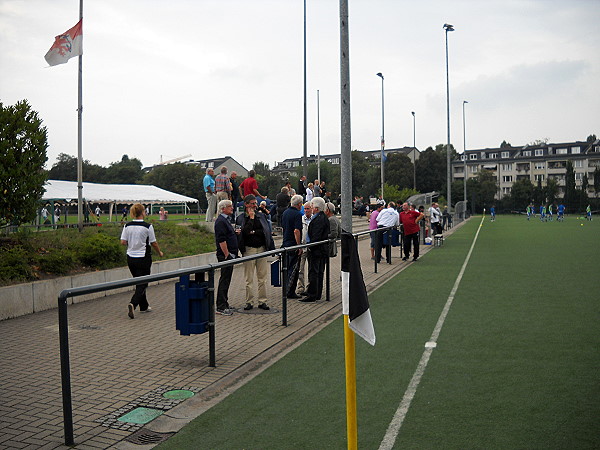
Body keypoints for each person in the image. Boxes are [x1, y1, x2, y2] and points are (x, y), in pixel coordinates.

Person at [120, 203, 164, 319]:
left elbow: (123, 242)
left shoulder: (127, 226)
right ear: (143, 212)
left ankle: (144, 306)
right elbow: (153, 242)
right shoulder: (147, 226)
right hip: (143, 257)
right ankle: (133, 303)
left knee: (138, 281)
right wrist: (159, 252)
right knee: (143, 283)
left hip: (130, 257)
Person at [236, 195, 275, 311]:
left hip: (261, 249)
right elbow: (245, 232)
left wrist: (253, 231)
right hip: (249, 250)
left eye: (255, 203)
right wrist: (251, 219)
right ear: (246, 204)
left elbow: (264, 231)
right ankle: (249, 301)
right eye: (252, 203)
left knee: (262, 277)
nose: (254, 205)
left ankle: (262, 301)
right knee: (249, 278)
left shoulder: (261, 216)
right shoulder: (241, 218)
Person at [300, 197, 330, 302]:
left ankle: (313, 294)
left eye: (312, 206)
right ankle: (315, 292)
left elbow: (316, 236)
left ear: (316, 208)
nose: (311, 208)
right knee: (318, 272)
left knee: (314, 272)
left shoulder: (319, 219)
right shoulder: (322, 217)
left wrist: (310, 246)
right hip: (319, 249)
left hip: (317, 250)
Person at [214, 199, 240, 315]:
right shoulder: (220, 221)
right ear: (223, 208)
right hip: (225, 255)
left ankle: (225, 303)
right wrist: (227, 255)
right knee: (224, 279)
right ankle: (220, 306)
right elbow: (221, 240)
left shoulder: (225, 220)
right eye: (230, 206)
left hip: (231, 254)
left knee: (227, 279)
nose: (232, 208)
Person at [281, 194, 304, 299]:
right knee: (294, 268)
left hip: (285, 243)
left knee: (286, 268)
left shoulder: (285, 213)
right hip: (293, 244)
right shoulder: (297, 214)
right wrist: (299, 246)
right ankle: (290, 291)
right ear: (299, 204)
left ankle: (285, 289)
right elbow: (296, 231)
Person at [296, 201, 313, 295]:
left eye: (308, 208)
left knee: (311, 268)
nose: (306, 210)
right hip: (302, 247)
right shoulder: (301, 219)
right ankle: (300, 287)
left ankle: (309, 287)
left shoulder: (314, 219)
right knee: (300, 269)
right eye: (305, 209)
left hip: (311, 247)